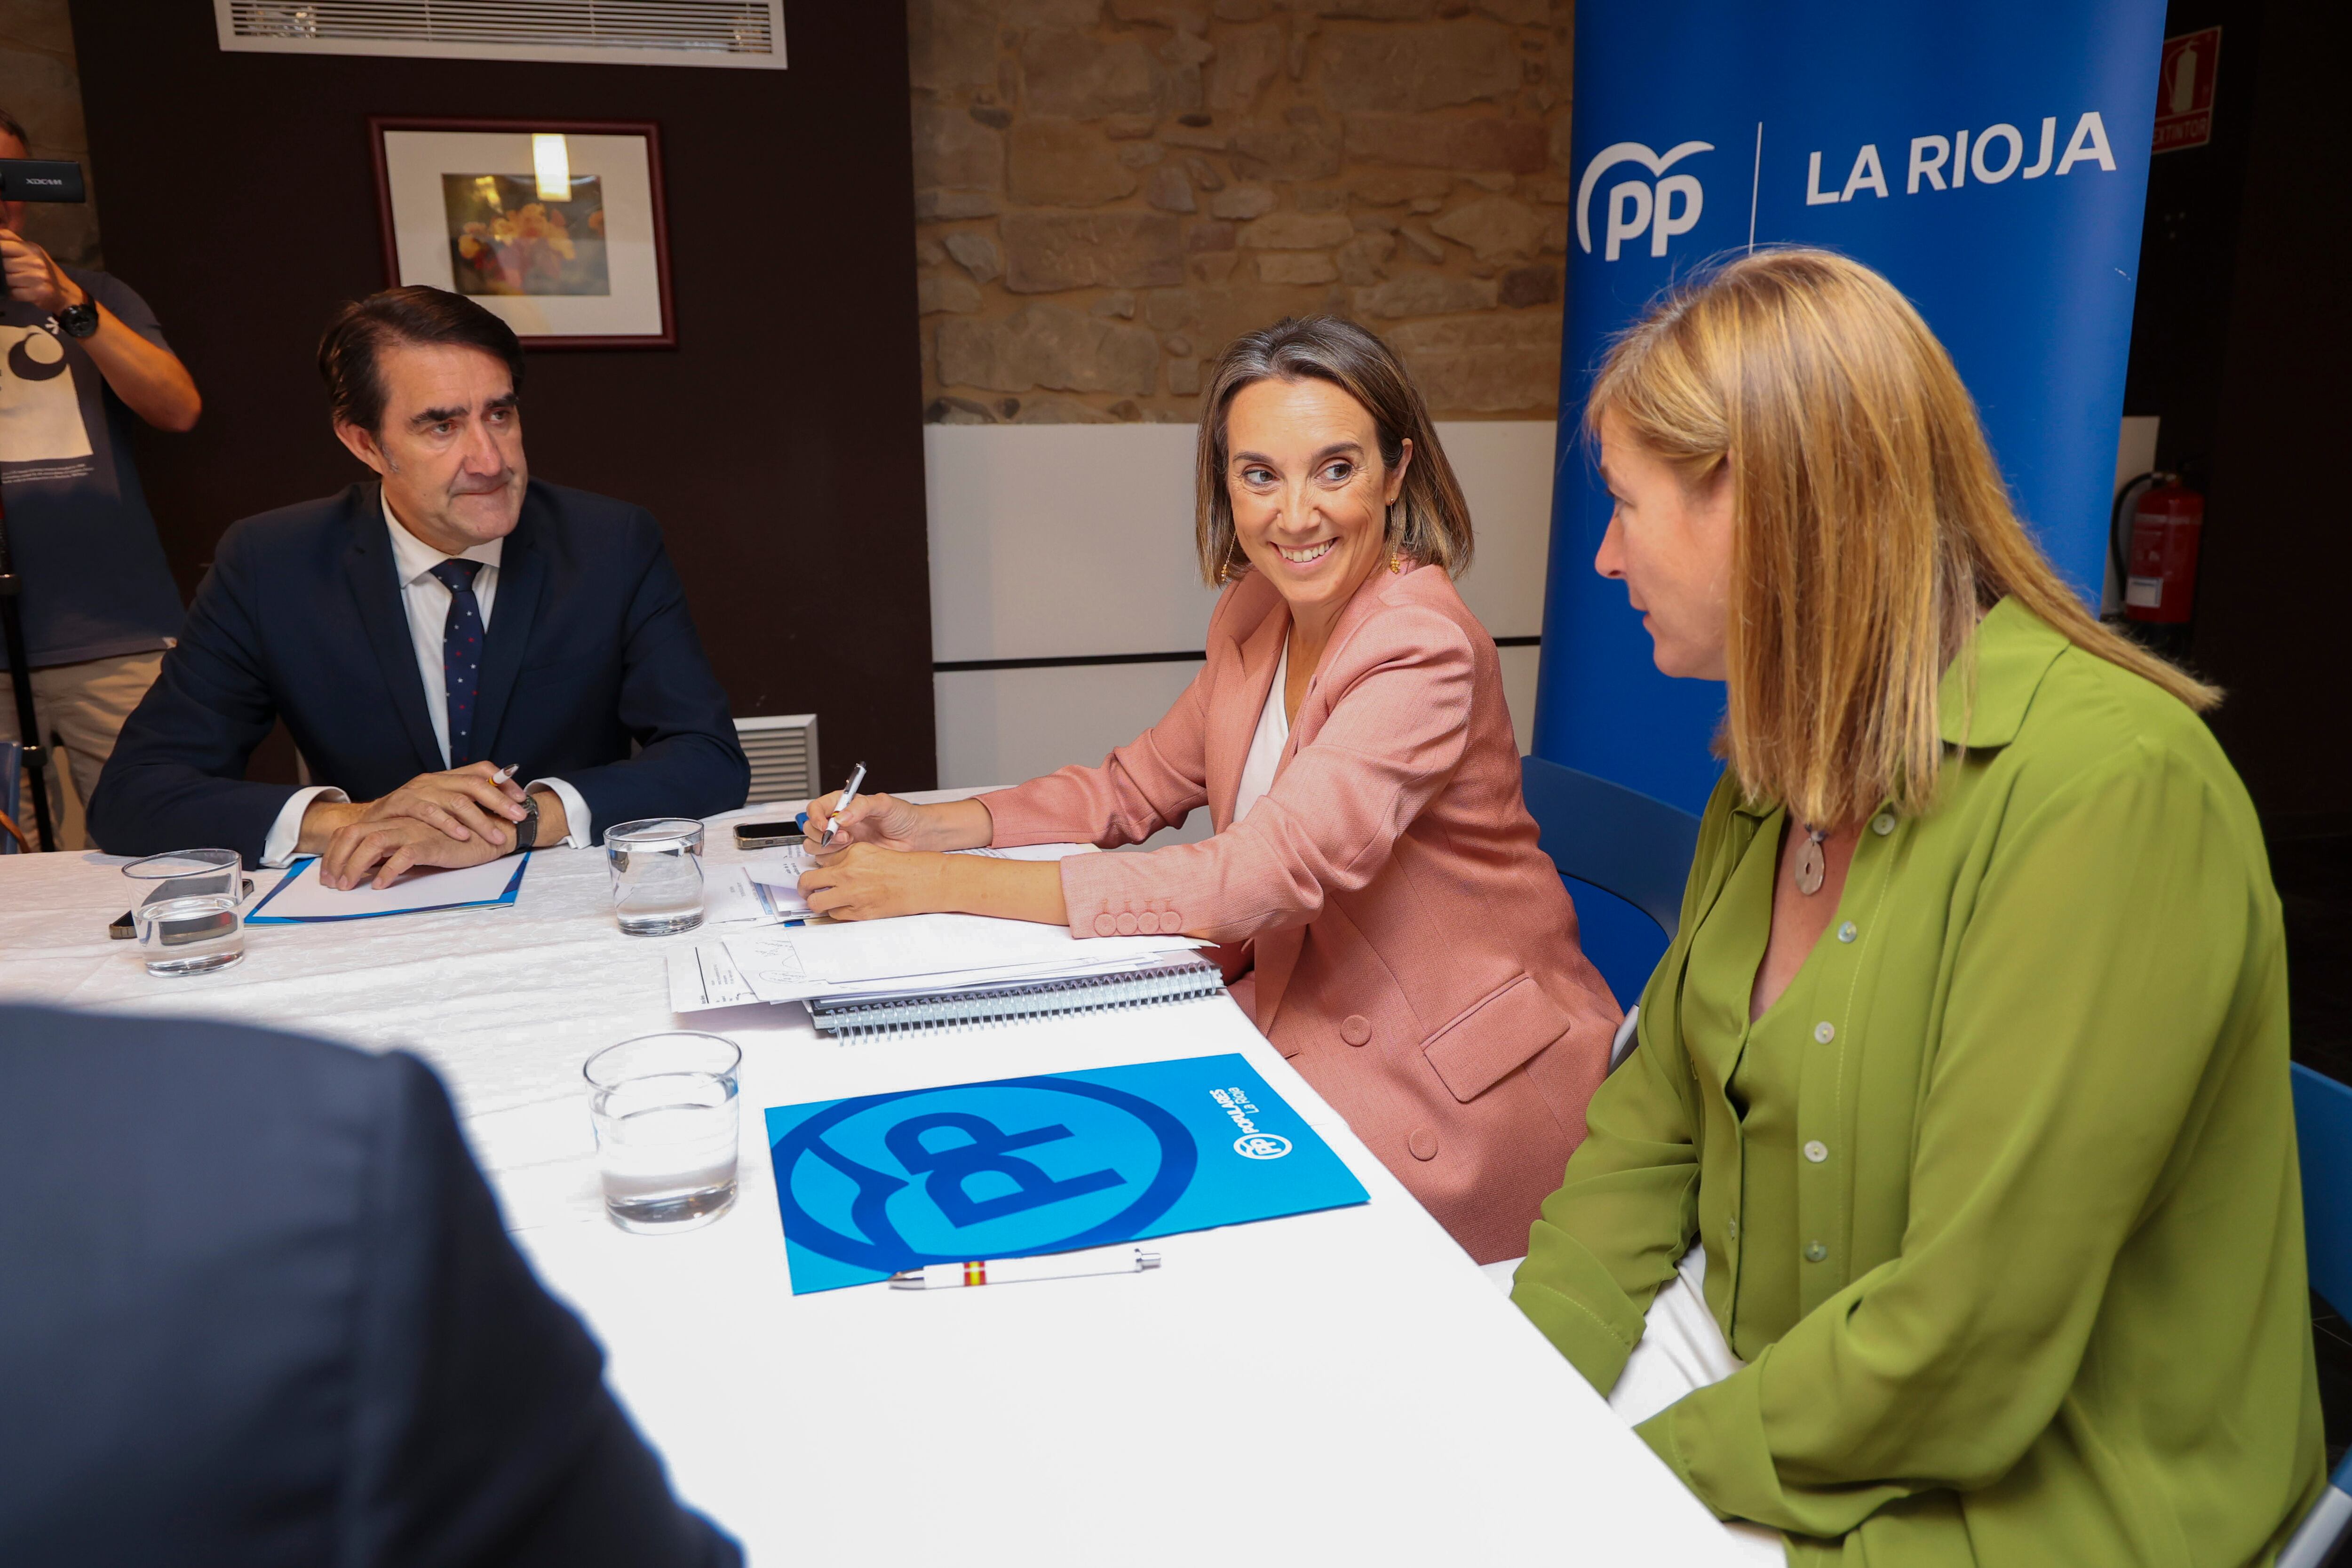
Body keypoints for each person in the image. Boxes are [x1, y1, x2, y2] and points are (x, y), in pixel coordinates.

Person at [1508, 249, 2320, 1564]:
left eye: (1623, 505)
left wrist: (1619, 1480)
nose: (1603, 556)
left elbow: (1965, 1336)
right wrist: (1518, 1391)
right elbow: (1653, 1123)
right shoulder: (1776, 759)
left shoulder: (2112, 790)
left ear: (1763, 507)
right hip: (1786, 1372)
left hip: (2050, 1483)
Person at [799, 316, 1621, 1264]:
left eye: (1336, 469)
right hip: (1290, 1022)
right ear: (1225, 482)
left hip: (1450, 1092)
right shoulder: (1256, 610)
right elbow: (1133, 784)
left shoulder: (1420, 645)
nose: (1295, 514)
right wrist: (930, 825)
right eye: (1259, 474)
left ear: (1397, 474)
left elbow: (1256, 876)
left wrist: (936, 884)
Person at [0, 1003, 740, 1565]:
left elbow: (703, 788)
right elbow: (137, 797)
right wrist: (330, 817)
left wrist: (542, 808)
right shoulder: (339, 1153)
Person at [88, 286, 748, 885]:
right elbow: (134, 795)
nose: (489, 461)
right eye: (441, 425)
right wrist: (365, 819)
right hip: (374, 904)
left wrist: (512, 824)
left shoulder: (610, 543)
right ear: (366, 444)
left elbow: (708, 758)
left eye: (500, 415)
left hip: (568, 901)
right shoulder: (272, 562)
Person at [0, 106, 202, 844]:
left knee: (154, 839)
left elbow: (178, 407)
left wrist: (69, 305)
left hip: (113, 635)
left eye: (11, 179)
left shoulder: (97, 294)